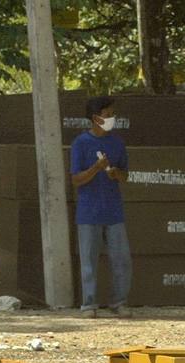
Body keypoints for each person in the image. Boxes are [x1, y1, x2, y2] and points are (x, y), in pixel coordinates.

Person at [70, 95, 131, 319]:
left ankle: (119, 301)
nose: (112, 118)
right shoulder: (81, 144)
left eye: (113, 115)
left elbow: (125, 174)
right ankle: (89, 304)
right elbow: (76, 179)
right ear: (96, 118)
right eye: (108, 115)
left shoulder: (117, 143)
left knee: (121, 260)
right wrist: (96, 168)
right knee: (89, 261)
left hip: (114, 211)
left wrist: (116, 173)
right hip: (88, 212)